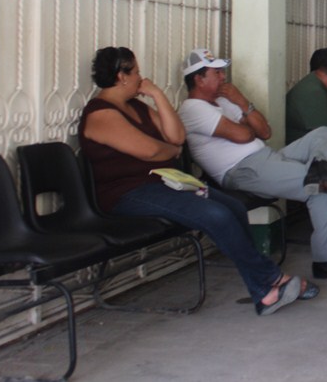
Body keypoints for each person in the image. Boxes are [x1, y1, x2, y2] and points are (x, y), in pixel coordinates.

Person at [78, 47, 313, 315]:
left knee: (234, 208)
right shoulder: (100, 114)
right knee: (216, 214)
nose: (141, 78)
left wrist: (156, 95)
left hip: (164, 182)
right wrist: (169, 151)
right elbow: (153, 150)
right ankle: (268, 283)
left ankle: (265, 288)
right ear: (122, 76)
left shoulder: (137, 107)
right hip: (128, 193)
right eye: (136, 73)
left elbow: (177, 136)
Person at [178, 48, 327, 281]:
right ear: (198, 79)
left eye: (223, 71)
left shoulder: (224, 101)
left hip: (267, 158)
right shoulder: (193, 108)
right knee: (320, 186)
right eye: (217, 73)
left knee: (322, 134)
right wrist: (244, 115)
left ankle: (324, 170)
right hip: (243, 169)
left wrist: (242, 102)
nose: (223, 77)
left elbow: (264, 130)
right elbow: (244, 136)